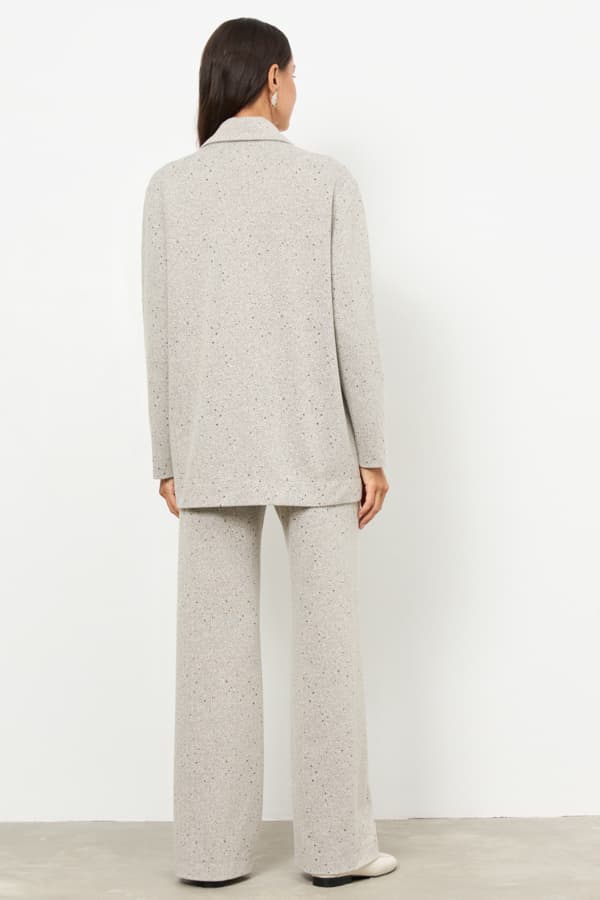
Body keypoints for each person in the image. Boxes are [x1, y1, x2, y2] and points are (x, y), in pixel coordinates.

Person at [140, 16, 395, 889]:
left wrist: (167, 455)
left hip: (208, 447)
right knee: (329, 652)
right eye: (295, 77)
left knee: (210, 664)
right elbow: (354, 327)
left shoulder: (170, 189)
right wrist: (372, 447)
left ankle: (209, 856)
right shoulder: (325, 182)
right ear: (275, 78)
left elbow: (160, 334)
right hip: (318, 443)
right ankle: (337, 851)